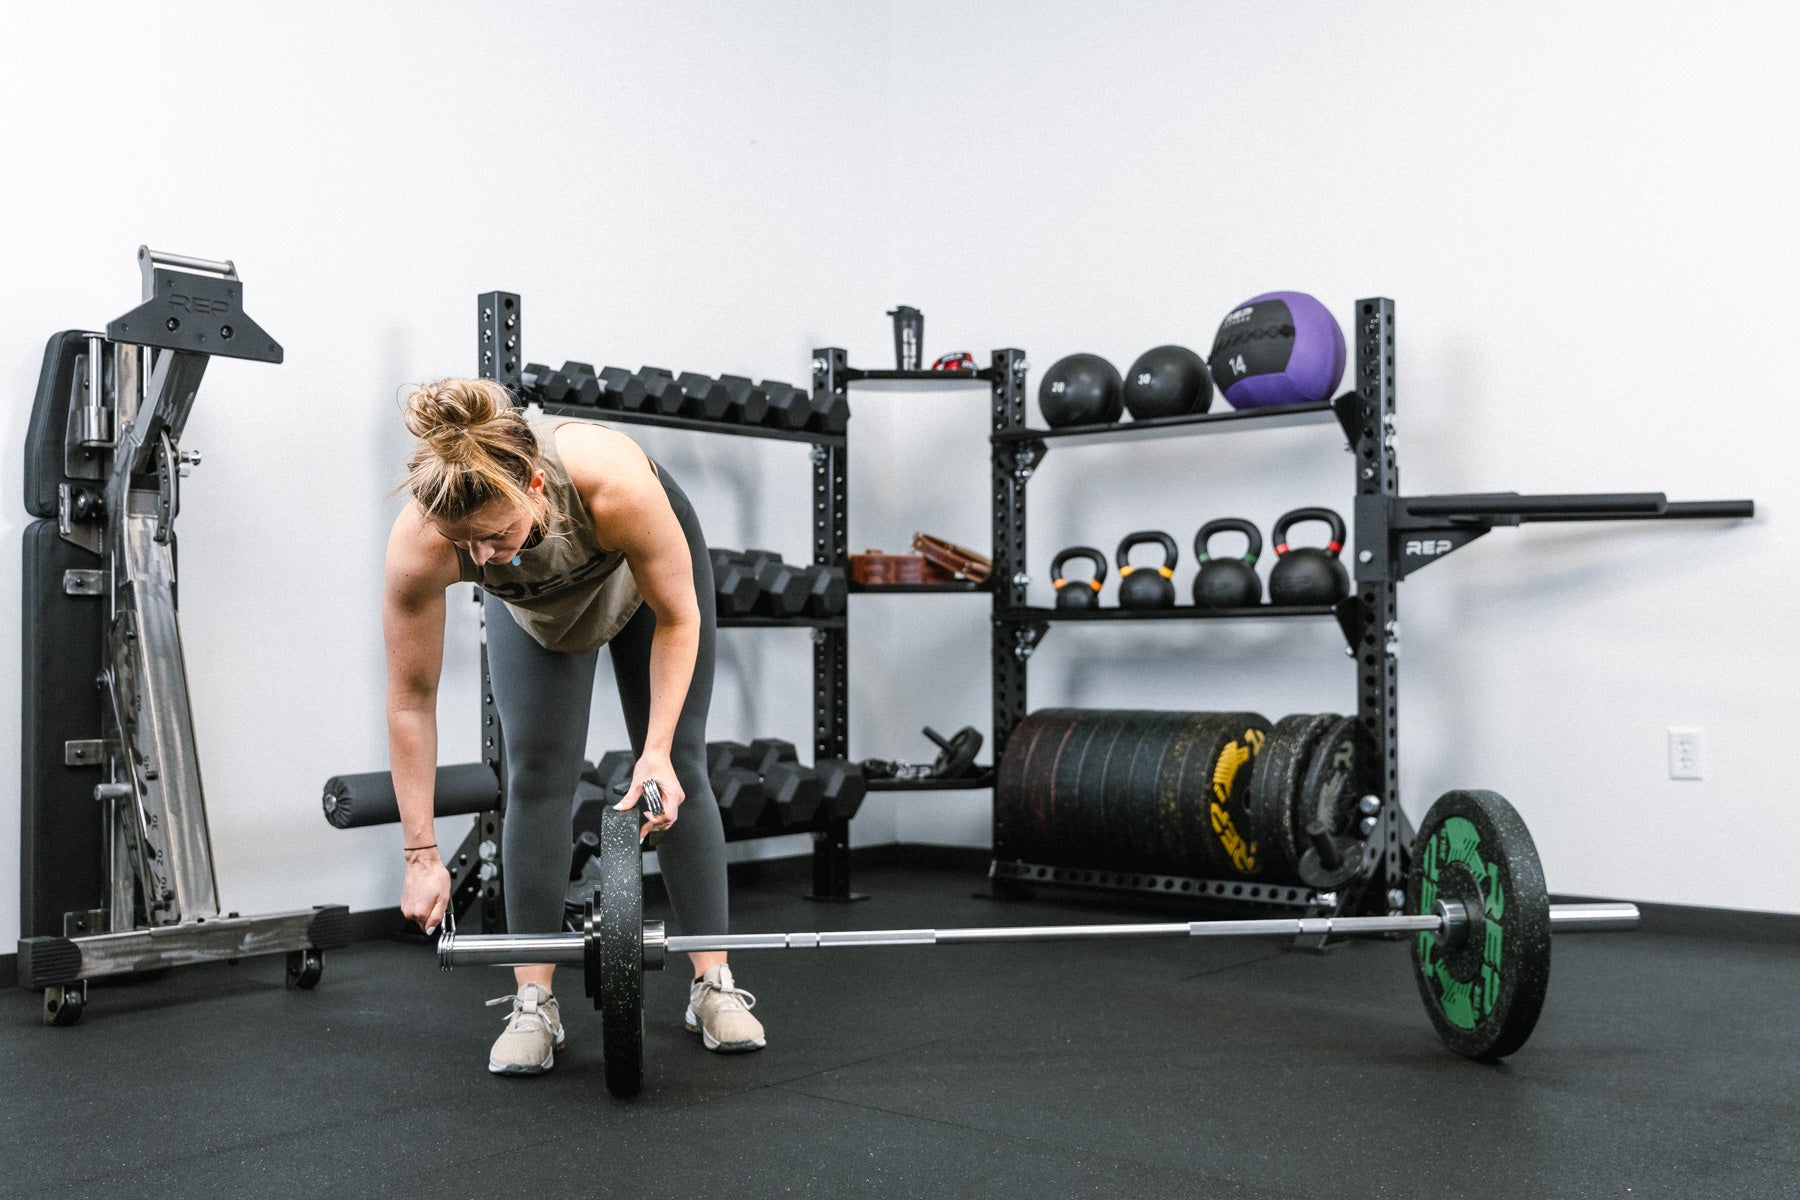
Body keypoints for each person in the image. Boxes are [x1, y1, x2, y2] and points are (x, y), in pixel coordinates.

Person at [383, 376, 764, 1075]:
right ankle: (534, 999)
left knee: (679, 759)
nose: (482, 560)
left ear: (532, 483)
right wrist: (420, 855)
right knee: (534, 773)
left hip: (634, 571)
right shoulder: (429, 541)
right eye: (467, 548)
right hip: (541, 605)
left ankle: (712, 981)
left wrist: (651, 755)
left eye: (495, 536)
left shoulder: (613, 484)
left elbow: (679, 619)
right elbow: (412, 700)